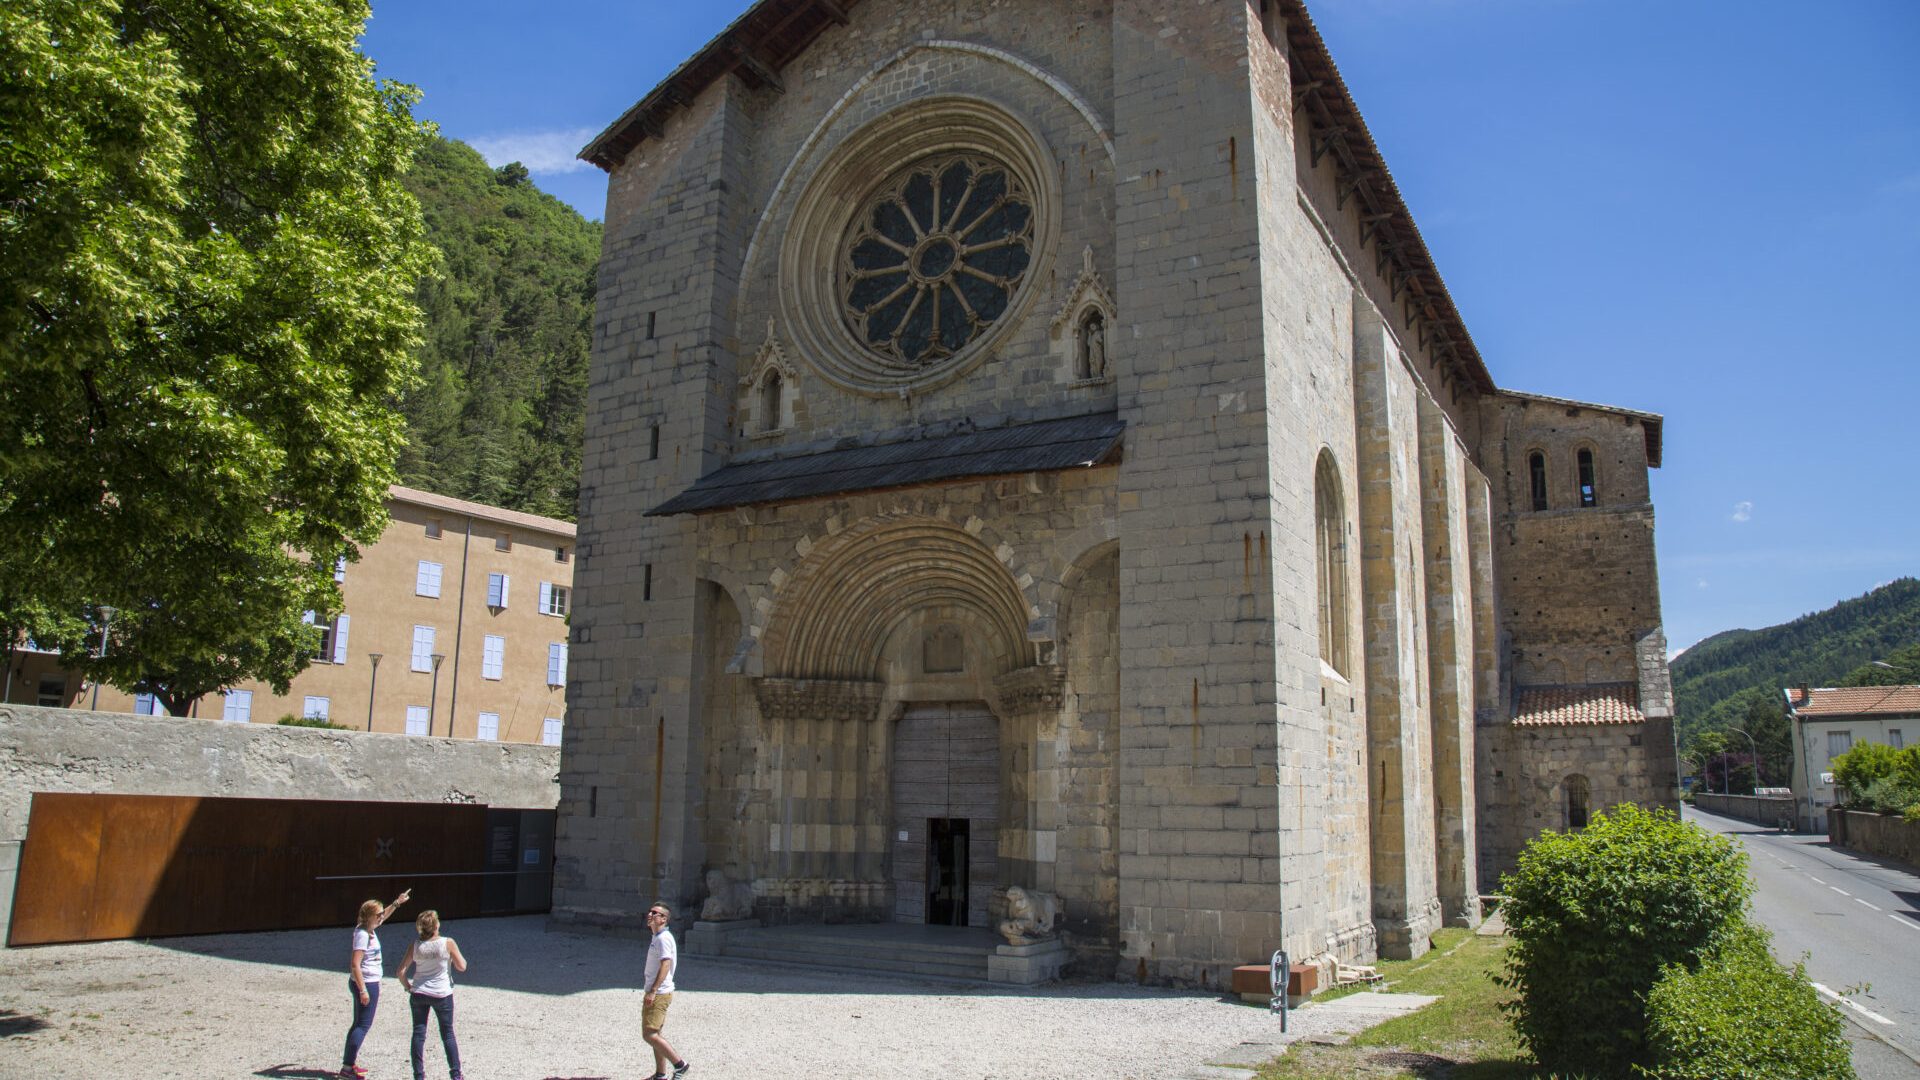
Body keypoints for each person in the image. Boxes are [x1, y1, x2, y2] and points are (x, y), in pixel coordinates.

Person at [343, 888, 410, 1080]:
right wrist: (363, 990)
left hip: (365, 982)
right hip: (366, 983)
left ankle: (349, 1064)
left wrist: (397, 903)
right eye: (378, 914)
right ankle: (347, 1068)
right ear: (370, 916)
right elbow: (355, 963)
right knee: (363, 1025)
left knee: (358, 1024)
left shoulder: (366, 928)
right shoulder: (363, 935)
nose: (381, 917)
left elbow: (384, 916)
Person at [397, 909, 468, 1080]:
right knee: (447, 1033)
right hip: (441, 993)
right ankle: (455, 1074)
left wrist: (408, 987)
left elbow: (400, 971)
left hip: (419, 992)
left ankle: (419, 1075)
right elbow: (462, 966)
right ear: (437, 925)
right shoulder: (447, 943)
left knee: (418, 1033)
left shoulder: (415, 945)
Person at [642, 903, 691, 1080]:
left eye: (655, 913)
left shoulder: (663, 938)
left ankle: (680, 1065)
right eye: (650, 911)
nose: (650, 914)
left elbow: (666, 964)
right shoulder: (657, 936)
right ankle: (660, 1074)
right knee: (657, 1034)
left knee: (649, 1034)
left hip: (660, 993)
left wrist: (653, 990)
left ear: (664, 919)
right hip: (658, 991)